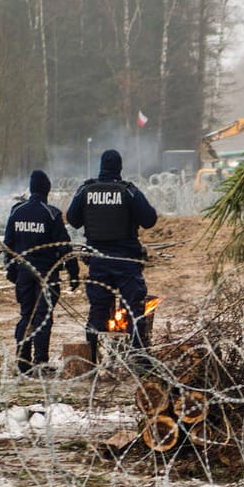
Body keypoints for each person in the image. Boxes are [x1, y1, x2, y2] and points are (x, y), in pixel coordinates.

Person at [66, 149, 158, 363]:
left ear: (101, 167)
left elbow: (72, 218)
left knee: (97, 311)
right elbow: (149, 219)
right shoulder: (128, 191)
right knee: (134, 310)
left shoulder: (86, 190)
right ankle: (138, 359)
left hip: (98, 260)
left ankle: (91, 360)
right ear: (119, 168)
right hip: (126, 261)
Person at [3, 170, 80, 376]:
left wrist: (12, 271)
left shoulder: (16, 212)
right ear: (47, 190)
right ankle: (40, 361)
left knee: (26, 315)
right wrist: (74, 274)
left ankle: (22, 360)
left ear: (30, 189)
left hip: (24, 273)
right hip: (47, 275)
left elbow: (8, 245)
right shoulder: (51, 214)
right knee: (43, 318)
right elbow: (65, 247)